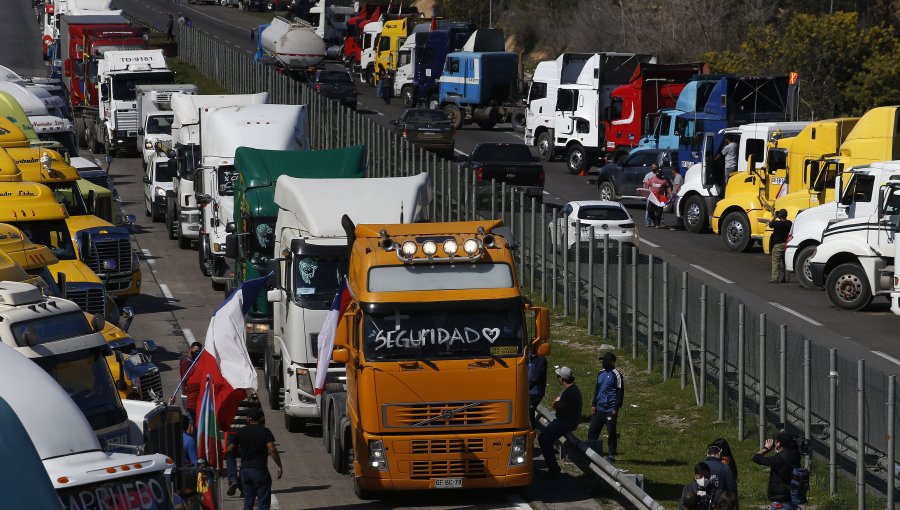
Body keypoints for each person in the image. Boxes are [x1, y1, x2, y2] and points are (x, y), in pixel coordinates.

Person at [227, 409, 283, 510]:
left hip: (245, 472)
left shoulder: (241, 432)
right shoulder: (265, 431)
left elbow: (230, 449)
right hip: (260, 471)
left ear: (248, 418)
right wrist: (279, 465)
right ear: (261, 419)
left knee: (248, 502)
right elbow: (272, 449)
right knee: (263, 503)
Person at [537, 366, 582, 478]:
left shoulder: (568, 392)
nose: (558, 378)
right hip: (563, 421)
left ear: (562, 379)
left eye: (558, 376)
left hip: (566, 422)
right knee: (542, 437)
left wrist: (555, 403)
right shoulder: (570, 389)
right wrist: (556, 403)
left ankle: (553, 469)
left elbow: (558, 405)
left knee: (544, 439)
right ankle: (553, 467)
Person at [587, 351, 624, 462]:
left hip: (610, 409)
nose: (603, 363)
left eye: (605, 361)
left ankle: (611, 454)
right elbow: (597, 389)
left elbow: (620, 392)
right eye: (602, 361)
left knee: (611, 432)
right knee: (592, 431)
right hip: (599, 408)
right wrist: (594, 404)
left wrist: (615, 408)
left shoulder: (617, 375)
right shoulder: (601, 373)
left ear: (612, 362)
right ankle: (592, 452)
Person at [752, 431, 802, 510]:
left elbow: (756, 458)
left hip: (781, 502)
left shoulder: (779, 459)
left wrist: (766, 449)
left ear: (778, 443)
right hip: (792, 498)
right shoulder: (796, 455)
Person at [178, 342, 203, 428]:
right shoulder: (186, 362)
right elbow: (186, 378)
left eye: (199, 352)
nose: (197, 353)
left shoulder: (193, 361)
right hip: (187, 394)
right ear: (190, 349)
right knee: (192, 420)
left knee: (195, 419)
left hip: (192, 393)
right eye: (195, 351)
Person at [768, 209, 792, 283]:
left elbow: (770, 225)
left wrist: (775, 216)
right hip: (787, 244)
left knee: (775, 261)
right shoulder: (789, 223)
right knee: (785, 262)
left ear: (779, 216)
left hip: (778, 244)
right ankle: (786, 278)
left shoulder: (776, 223)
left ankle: (775, 279)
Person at [527, 351, 547, 429]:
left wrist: (524, 388)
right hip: (527, 390)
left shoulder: (541, 360)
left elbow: (535, 378)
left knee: (529, 412)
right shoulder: (527, 355)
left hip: (535, 392)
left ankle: (532, 430)